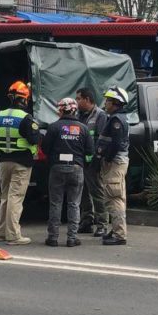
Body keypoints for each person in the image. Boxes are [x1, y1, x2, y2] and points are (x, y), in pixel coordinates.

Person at [0, 81, 40, 246]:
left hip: (4, 161)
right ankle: (14, 235)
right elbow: (34, 139)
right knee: (16, 197)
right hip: (21, 163)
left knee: (5, 197)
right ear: (24, 100)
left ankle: (1, 233)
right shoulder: (26, 118)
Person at [41, 97, 94, 248]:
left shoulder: (53, 127)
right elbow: (90, 150)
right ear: (75, 110)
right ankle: (72, 238)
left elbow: (44, 148)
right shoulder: (83, 128)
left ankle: (53, 238)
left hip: (57, 168)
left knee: (55, 203)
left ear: (61, 110)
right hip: (76, 168)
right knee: (74, 204)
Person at [97, 86, 130, 246]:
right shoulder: (117, 118)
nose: (105, 103)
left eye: (108, 100)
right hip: (118, 162)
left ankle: (119, 234)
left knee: (114, 198)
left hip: (115, 163)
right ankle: (117, 229)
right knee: (116, 196)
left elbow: (116, 143)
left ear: (115, 103)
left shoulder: (116, 120)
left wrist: (107, 158)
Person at [76, 87, 109, 237]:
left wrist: (97, 161)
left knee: (97, 192)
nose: (76, 102)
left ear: (87, 100)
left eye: (78, 99)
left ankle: (102, 224)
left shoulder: (100, 115)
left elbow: (101, 139)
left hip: (93, 162)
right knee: (83, 193)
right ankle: (86, 222)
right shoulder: (78, 115)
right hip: (80, 161)